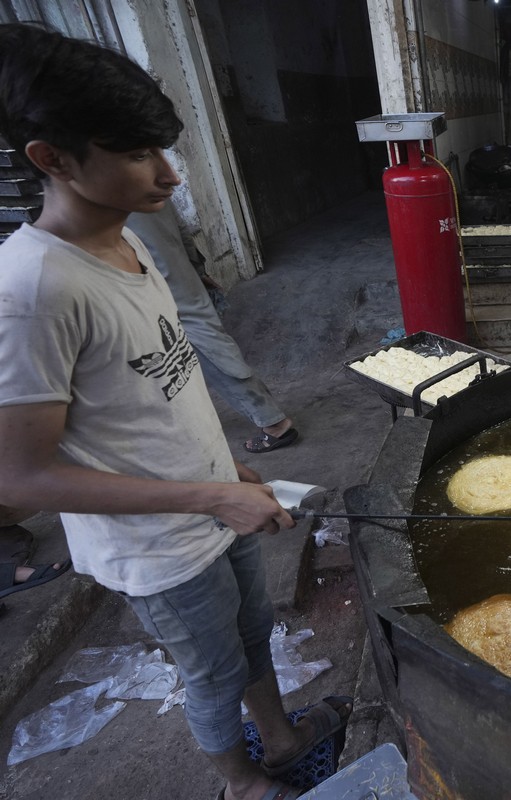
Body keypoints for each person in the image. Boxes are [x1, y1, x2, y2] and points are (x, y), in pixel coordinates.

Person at [0, 25, 347, 800]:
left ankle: (284, 740)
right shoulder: (33, 290)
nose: (169, 175)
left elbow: (156, 387)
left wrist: (224, 470)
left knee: (254, 638)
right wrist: (207, 494)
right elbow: (21, 474)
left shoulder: (129, 242)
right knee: (214, 672)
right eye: (135, 155)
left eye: (163, 149)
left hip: (211, 505)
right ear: (51, 160)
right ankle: (240, 782)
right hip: (157, 545)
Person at [127, 207, 299, 453]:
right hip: (176, 274)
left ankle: (274, 423)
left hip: (156, 282)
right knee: (191, 347)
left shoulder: (106, 187)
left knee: (208, 347)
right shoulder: (149, 180)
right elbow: (183, 231)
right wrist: (197, 271)